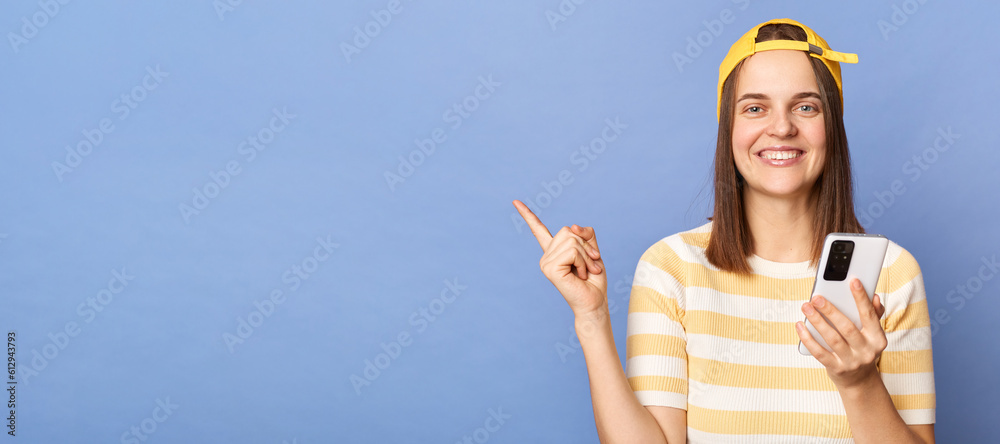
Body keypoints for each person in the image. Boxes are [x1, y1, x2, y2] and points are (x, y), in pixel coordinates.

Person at [512, 18, 936, 444]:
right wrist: (591, 319)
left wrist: (860, 384)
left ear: (833, 127)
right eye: (755, 108)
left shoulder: (892, 274)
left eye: (806, 106)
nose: (782, 127)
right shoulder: (671, 270)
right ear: (728, 129)